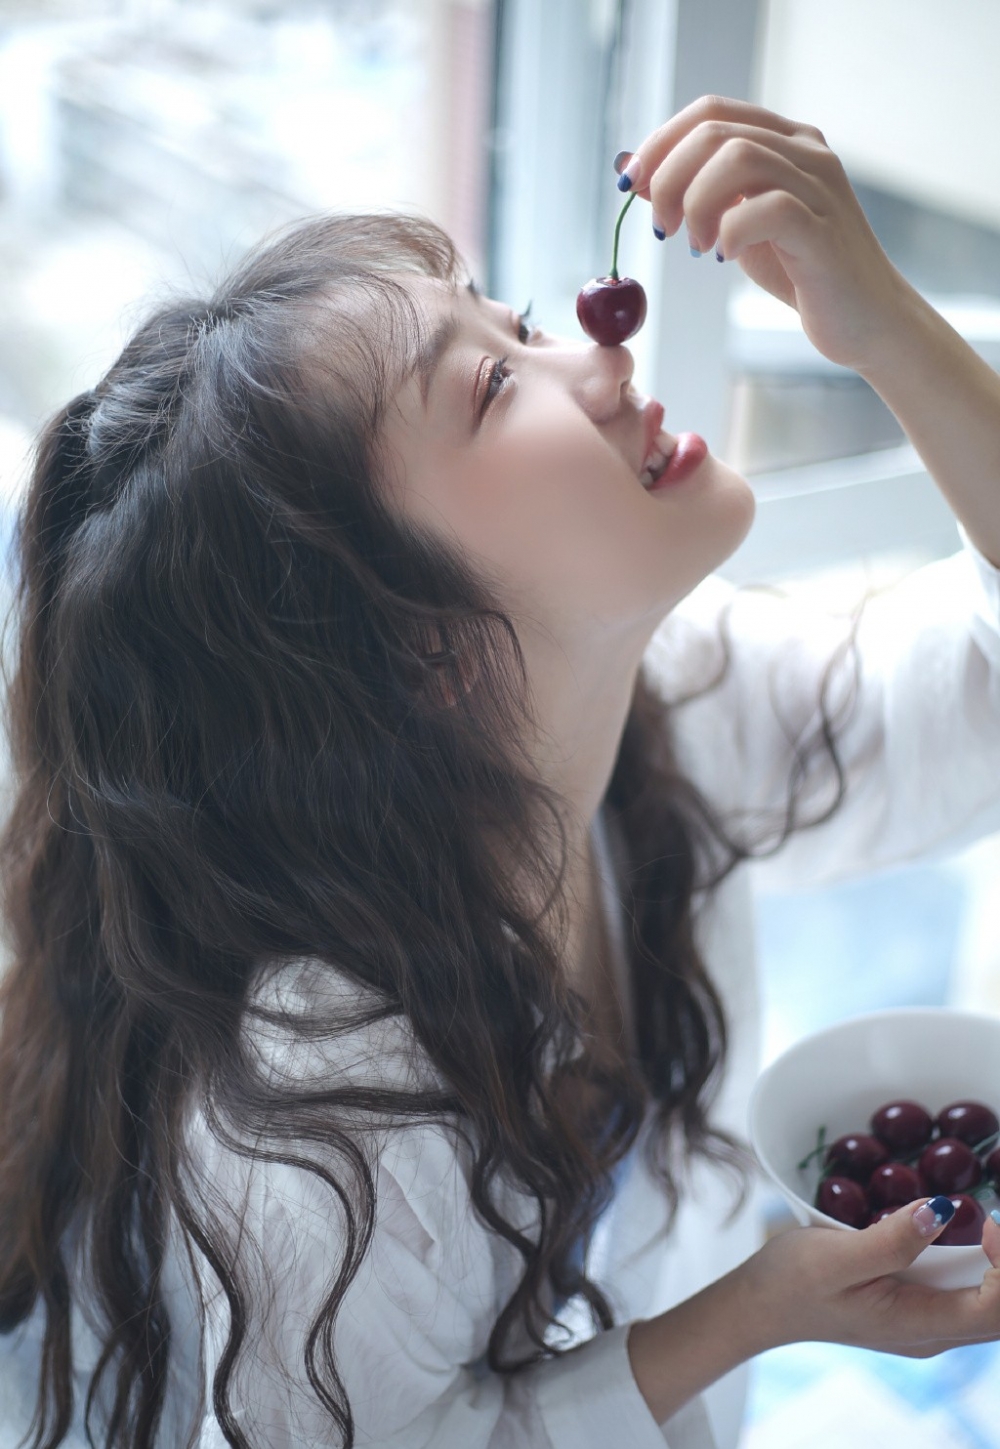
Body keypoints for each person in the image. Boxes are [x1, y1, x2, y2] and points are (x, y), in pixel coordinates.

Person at [1, 92, 999, 1449]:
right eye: (490, 386)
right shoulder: (312, 1102)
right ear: (416, 647)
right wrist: (749, 1312)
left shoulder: (675, 703)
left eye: (517, 323)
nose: (601, 357)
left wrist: (882, 323)